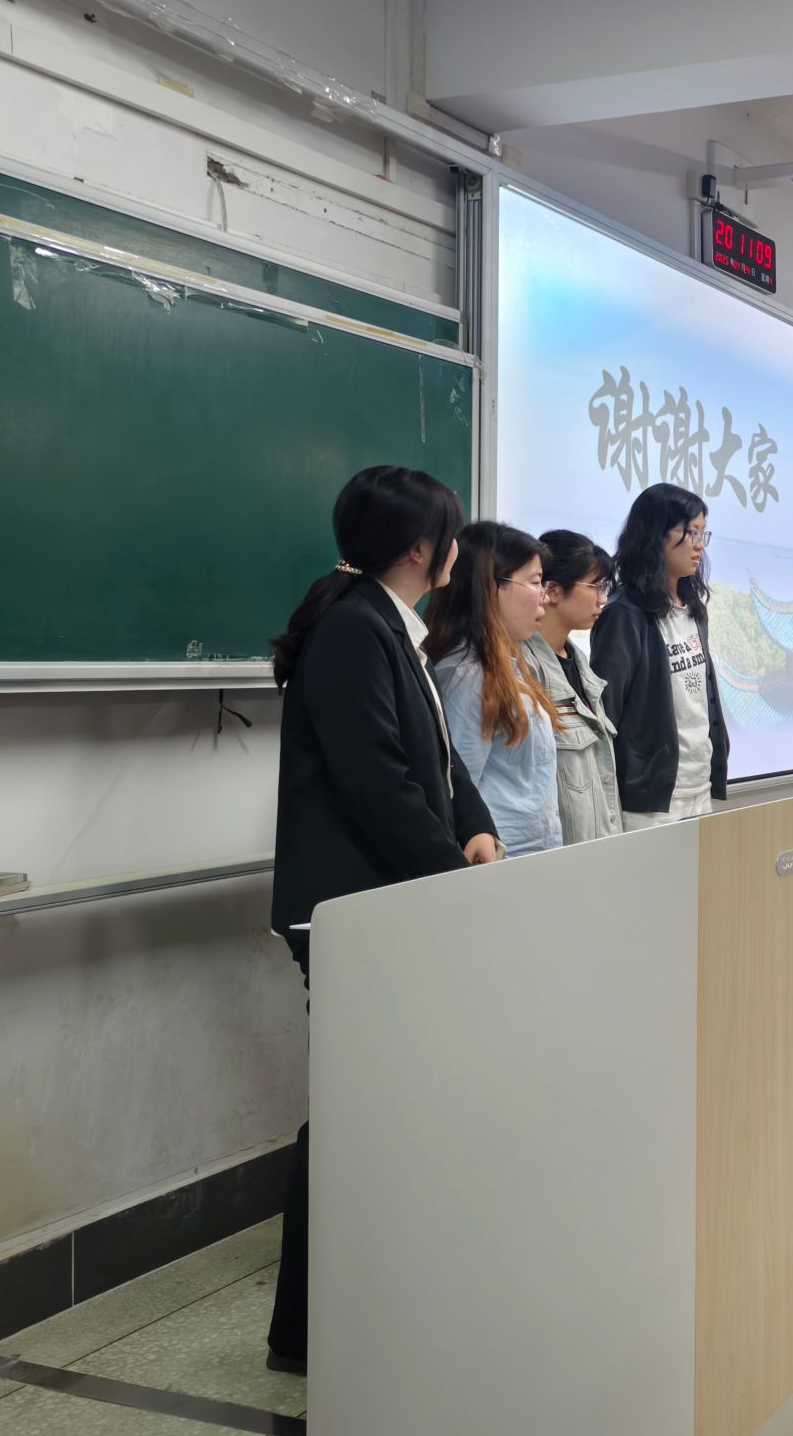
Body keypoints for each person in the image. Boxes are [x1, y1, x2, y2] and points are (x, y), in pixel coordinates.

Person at [264, 465, 502, 1373]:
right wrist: (450, 879)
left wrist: (473, 825)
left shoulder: (389, 624)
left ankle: (365, 1309)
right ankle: (306, 1333)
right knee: (350, 1118)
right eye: (452, 537)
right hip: (355, 914)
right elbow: (377, 784)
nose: (459, 553)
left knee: (376, 1110)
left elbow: (434, 758)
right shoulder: (353, 629)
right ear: (421, 549)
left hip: (388, 905)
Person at [590, 483, 729, 828]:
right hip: (649, 800)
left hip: (698, 785)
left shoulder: (693, 608)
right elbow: (607, 712)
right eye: (690, 532)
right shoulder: (624, 614)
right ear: (657, 535)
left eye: (703, 533)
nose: (699, 545)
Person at [423, 521, 565, 856]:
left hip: (531, 857)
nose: (545, 597)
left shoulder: (505, 665)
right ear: (491, 587)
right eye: (535, 582)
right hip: (498, 860)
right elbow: (457, 793)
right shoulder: (466, 676)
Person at [526, 529, 622, 843]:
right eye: (595, 586)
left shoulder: (580, 663)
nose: (603, 599)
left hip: (596, 846)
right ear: (553, 590)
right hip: (557, 852)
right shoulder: (523, 669)